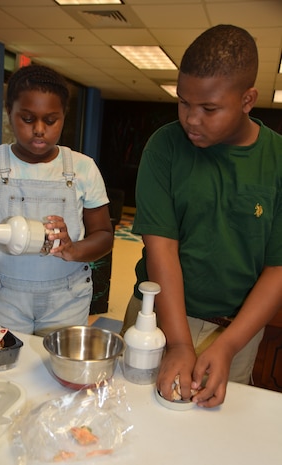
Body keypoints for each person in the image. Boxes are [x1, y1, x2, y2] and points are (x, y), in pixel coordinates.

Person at [120, 24, 282, 408]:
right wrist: (177, 342)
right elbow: (162, 251)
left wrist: (227, 346)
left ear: (247, 100)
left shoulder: (277, 160)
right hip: (156, 318)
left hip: (236, 329)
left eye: (209, 108)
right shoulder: (165, 147)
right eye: (183, 102)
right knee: (132, 417)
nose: (191, 119)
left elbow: (278, 269)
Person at [0, 64, 113, 336]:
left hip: (66, 297)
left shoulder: (83, 168)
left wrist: (74, 249)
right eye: (27, 118)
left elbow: (104, 235)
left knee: (58, 371)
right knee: (4, 369)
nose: (39, 129)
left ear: (64, 116)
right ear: (9, 111)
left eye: (51, 121)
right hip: (2, 296)